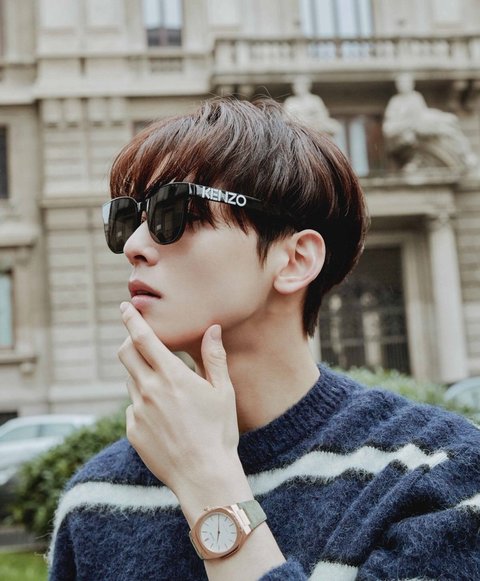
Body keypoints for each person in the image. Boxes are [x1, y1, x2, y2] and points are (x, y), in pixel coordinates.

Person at [48, 97, 480, 580]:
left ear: (294, 260)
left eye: (176, 212)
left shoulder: (439, 473)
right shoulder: (96, 500)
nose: (133, 246)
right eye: (127, 219)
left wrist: (210, 486)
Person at [383, 72, 477, 171]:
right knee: (443, 129)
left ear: (412, 84)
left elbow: (423, 113)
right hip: (413, 130)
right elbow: (388, 128)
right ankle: (464, 156)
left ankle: (465, 154)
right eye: (402, 83)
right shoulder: (396, 102)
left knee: (450, 123)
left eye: (407, 83)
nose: (404, 86)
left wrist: (442, 117)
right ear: (398, 86)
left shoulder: (415, 97)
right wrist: (409, 123)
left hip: (422, 125)